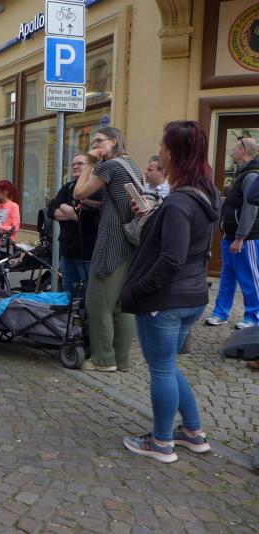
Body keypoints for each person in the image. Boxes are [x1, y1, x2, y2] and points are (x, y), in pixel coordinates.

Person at [119, 120, 219, 463]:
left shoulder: (178, 203)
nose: (158, 150)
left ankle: (161, 442)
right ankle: (192, 432)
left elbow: (171, 259)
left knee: (161, 369)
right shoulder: (207, 193)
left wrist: (138, 290)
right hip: (192, 295)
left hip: (166, 300)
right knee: (168, 366)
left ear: (174, 153)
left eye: (163, 144)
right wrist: (153, 216)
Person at [73, 126, 141, 372]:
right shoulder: (132, 166)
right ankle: (121, 360)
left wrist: (90, 163)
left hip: (111, 239)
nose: (95, 145)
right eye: (94, 142)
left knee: (98, 301)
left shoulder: (109, 166)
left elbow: (78, 192)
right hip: (130, 240)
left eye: (99, 141)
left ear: (114, 142)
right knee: (122, 306)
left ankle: (103, 359)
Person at [206, 136, 259, 330]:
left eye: (234, 149)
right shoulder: (241, 173)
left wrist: (240, 237)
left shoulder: (251, 175)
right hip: (230, 236)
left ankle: (254, 316)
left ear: (243, 151)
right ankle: (220, 313)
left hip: (246, 238)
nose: (231, 152)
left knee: (249, 278)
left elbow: (250, 208)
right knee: (227, 277)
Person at [47, 154, 102, 298]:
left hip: (89, 256)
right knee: (68, 297)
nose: (75, 166)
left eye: (80, 163)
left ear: (91, 168)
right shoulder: (68, 187)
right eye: (73, 164)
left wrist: (63, 206)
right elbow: (50, 210)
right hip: (67, 254)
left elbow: (85, 217)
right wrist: (70, 210)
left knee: (88, 299)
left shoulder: (97, 189)